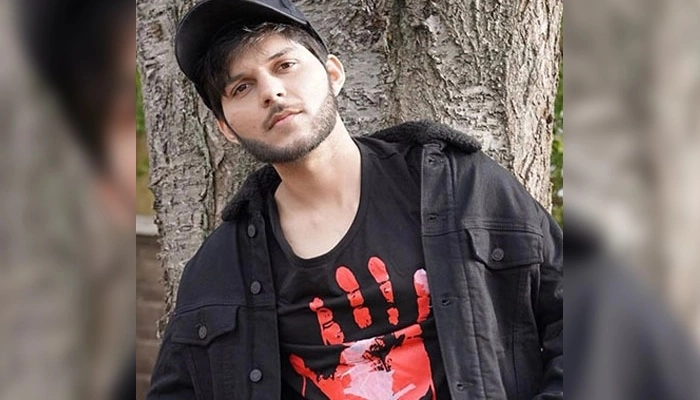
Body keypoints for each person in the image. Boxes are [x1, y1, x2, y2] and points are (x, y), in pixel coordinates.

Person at [147, 0, 562, 399]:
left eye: (285, 65)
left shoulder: (459, 185)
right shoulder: (220, 267)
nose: (271, 92)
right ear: (226, 128)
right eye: (242, 87)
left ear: (333, 73)